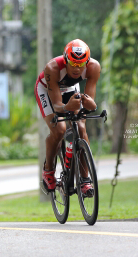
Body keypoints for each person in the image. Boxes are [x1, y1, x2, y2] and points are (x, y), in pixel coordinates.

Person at [35, 39, 101, 197]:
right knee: (59, 130)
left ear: (87, 62)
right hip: (47, 90)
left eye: (81, 64)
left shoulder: (94, 67)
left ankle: (85, 179)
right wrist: (66, 108)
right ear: (65, 60)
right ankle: (48, 170)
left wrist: (90, 105)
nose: (77, 68)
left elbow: (90, 104)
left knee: (81, 127)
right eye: (72, 63)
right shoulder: (52, 67)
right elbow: (57, 104)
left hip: (71, 88)